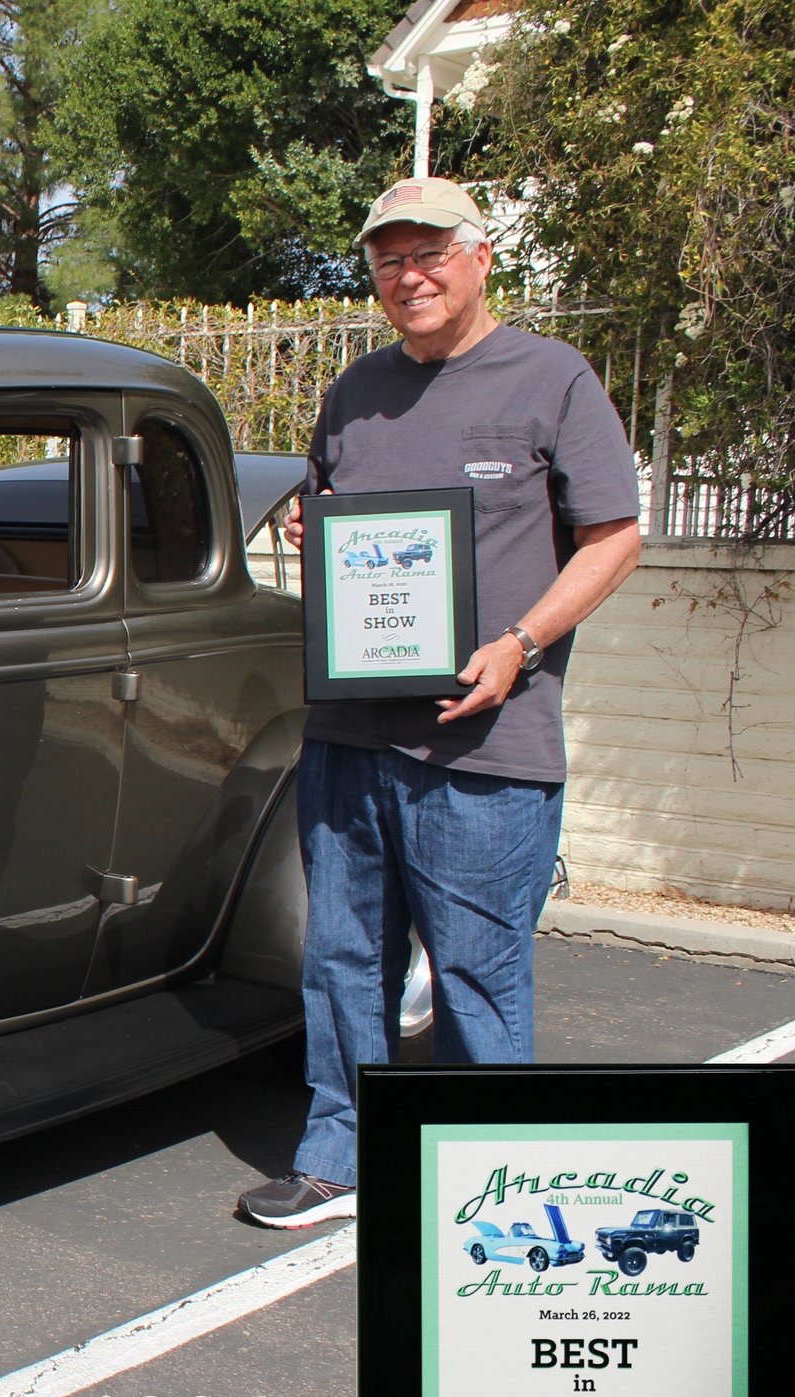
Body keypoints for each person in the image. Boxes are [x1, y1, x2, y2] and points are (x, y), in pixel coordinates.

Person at [236, 178, 644, 1229]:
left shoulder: (550, 378)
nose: (407, 277)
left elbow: (613, 538)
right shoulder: (354, 389)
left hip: (483, 743)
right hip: (348, 736)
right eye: (387, 260)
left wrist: (519, 645)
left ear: (478, 259)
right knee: (338, 961)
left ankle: (489, 1187)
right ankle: (339, 1155)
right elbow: (335, 522)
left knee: (476, 972)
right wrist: (312, 539)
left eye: (427, 254)